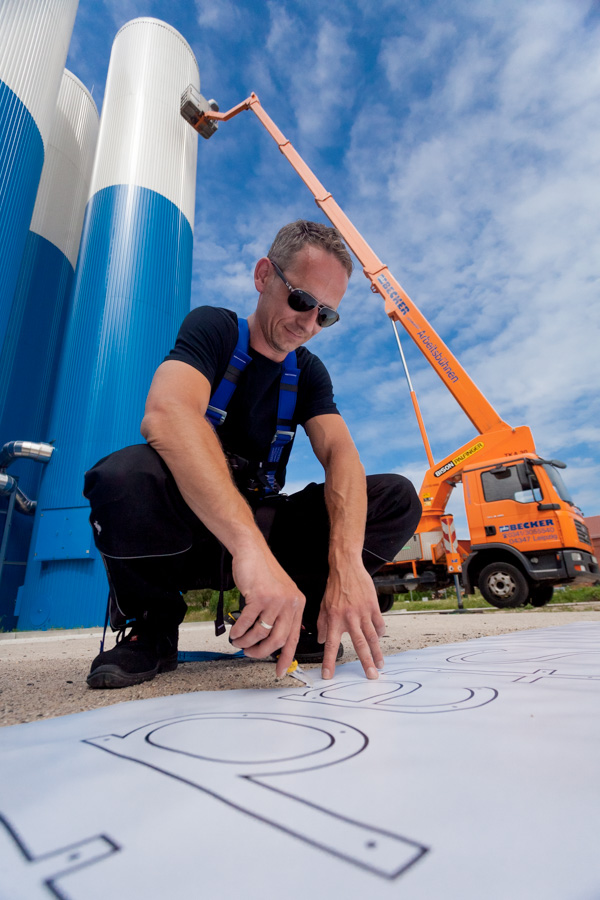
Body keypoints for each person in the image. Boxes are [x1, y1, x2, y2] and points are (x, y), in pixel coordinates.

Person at [83, 220, 421, 689]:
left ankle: (305, 616)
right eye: (302, 300)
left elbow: (342, 455)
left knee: (396, 496)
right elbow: (167, 415)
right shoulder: (214, 329)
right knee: (123, 476)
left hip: (263, 528)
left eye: (325, 315)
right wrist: (250, 549)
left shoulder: (308, 374)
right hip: (187, 535)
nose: (308, 323)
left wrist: (345, 566)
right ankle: (152, 626)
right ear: (264, 275)